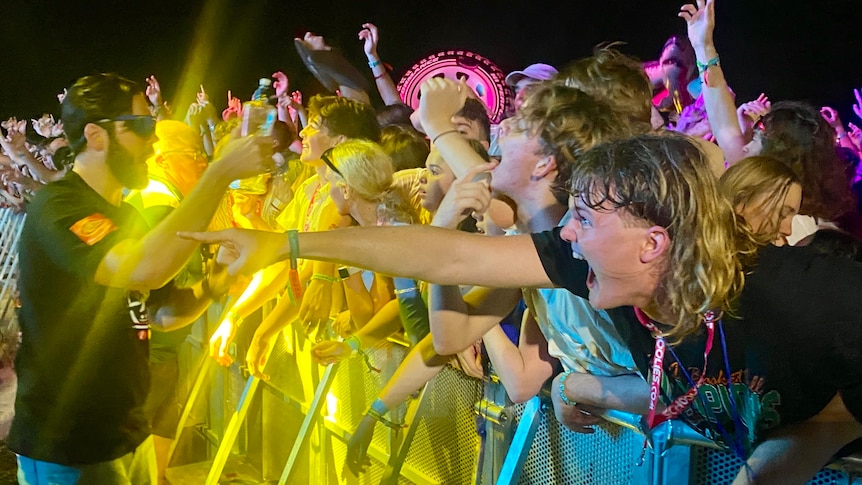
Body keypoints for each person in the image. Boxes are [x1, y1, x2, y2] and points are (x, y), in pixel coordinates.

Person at [182, 132, 862, 484]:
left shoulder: (820, 303)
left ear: (656, 242)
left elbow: (826, 412)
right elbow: (447, 257)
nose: (564, 233)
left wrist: (808, 441)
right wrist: (284, 242)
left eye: (586, 218)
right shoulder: (602, 263)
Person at [10, 73, 270, 484]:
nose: (152, 140)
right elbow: (141, 268)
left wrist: (219, 279)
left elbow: (163, 312)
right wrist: (218, 174)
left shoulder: (126, 215)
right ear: (96, 135)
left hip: (128, 434)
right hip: (68, 445)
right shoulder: (60, 206)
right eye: (142, 126)